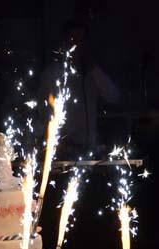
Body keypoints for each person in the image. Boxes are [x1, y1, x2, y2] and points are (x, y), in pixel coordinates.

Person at [40, 19, 121, 153]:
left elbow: (114, 96)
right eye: (73, 40)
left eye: (81, 40)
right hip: (62, 150)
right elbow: (43, 112)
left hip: (89, 150)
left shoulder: (92, 74)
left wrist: (93, 68)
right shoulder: (52, 74)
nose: (77, 46)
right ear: (64, 43)